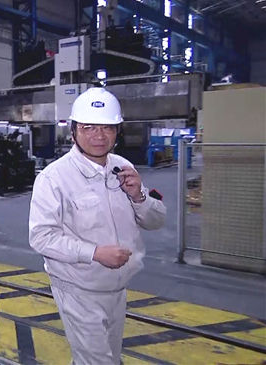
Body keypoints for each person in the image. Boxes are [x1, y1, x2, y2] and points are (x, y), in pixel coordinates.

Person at [28, 87, 166, 365]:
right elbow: (41, 237)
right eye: (89, 128)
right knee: (97, 361)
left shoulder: (123, 167)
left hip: (117, 288)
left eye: (107, 128)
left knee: (105, 357)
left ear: (117, 131)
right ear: (74, 131)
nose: (99, 136)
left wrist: (139, 197)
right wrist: (94, 253)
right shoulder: (54, 178)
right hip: (78, 289)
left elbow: (157, 220)